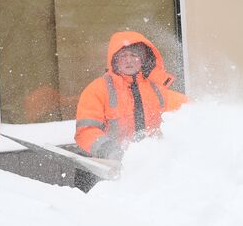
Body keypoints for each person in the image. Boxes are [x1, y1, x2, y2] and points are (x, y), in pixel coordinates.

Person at [75, 30, 188, 159]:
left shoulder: (157, 89)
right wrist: (109, 150)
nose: (129, 60)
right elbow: (86, 131)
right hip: (108, 163)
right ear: (114, 60)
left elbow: (190, 112)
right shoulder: (97, 90)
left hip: (153, 161)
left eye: (134, 55)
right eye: (123, 56)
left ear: (143, 60)